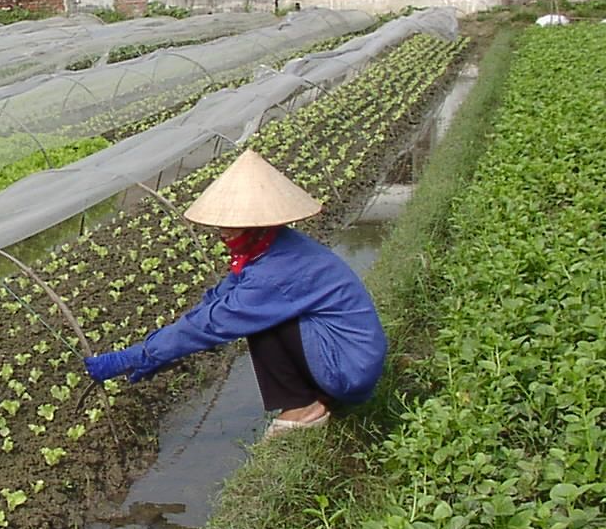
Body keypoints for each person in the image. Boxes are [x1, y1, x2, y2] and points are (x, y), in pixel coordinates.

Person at [83, 149, 387, 438]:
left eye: (234, 226)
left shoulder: (275, 272)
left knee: (260, 320)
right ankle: (315, 396)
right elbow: (217, 299)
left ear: (258, 224)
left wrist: (139, 355)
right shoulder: (272, 247)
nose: (223, 233)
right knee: (251, 313)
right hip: (347, 352)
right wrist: (160, 352)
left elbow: (216, 322)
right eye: (222, 225)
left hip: (350, 367)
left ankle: (304, 407)